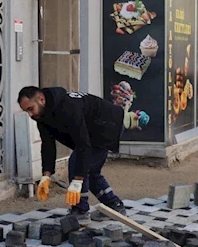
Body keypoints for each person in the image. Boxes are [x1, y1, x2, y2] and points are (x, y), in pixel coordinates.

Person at [17, 86, 127, 222]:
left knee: (77, 165)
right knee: (90, 170)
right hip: (94, 128)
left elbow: (83, 145)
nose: (30, 115)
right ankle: (114, 205)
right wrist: (46, 176)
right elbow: (48, 145)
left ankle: (80, 211)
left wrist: (77, 181)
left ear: (41, 99)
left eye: (30, 108)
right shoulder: (42, 116)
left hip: (108, 124)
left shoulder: (67, 107)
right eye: (26, 111)